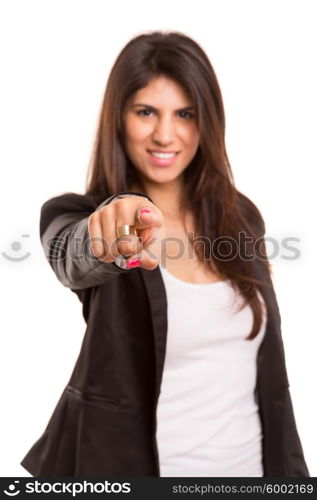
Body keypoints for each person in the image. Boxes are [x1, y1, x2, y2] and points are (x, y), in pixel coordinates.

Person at [20, 30, 309, 477]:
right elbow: (72, 253)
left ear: (207, 121)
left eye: (185, 114)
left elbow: (269, 383)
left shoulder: (241, 216)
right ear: (119, 118)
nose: (166, 134)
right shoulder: (78, 214)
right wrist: (110, 232)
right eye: (146, 112)